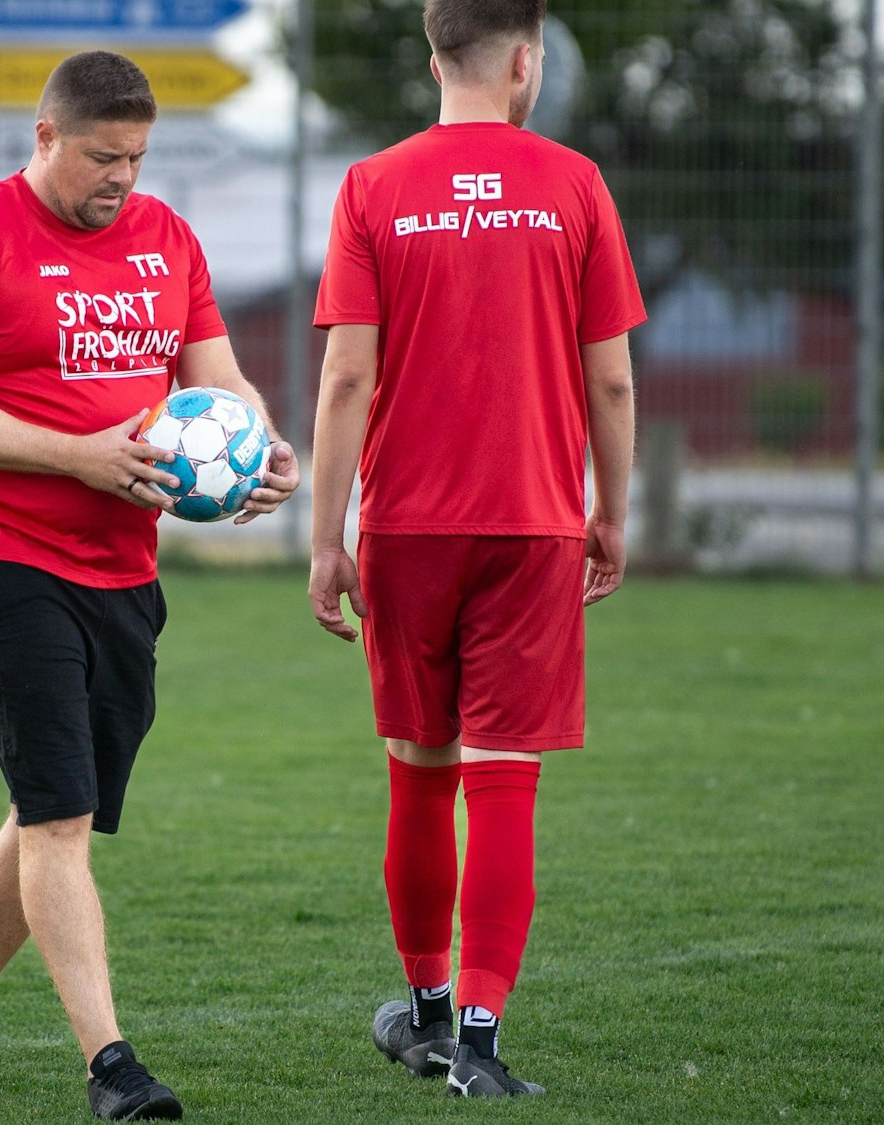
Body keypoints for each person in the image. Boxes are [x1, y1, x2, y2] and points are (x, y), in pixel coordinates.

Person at [0, 50, 300, 1122]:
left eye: (137, 156)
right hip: (2, 565)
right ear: (45, 137)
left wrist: (256, 444)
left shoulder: (165, 237)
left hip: (123, 571)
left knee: (46, 815)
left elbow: (213, 375)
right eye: (103, 156)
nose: (121, 176)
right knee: (57, 817)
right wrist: (75, 454)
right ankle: (111, 1066)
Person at [308, 0, 644, 1099]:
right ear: (522, 60)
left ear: (431, 52)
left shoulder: (371, 186)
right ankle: (483, 1046)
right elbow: (610, 377)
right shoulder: (574, 184)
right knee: (503, 785)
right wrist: (610, 510)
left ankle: (425, 1016)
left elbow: (345, 379)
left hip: (404, 524)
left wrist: (326, 537)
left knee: (418, 772)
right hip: (532, 519)